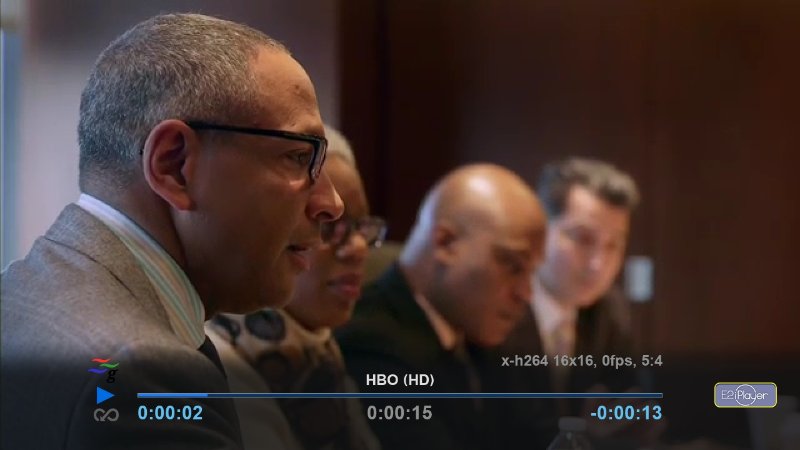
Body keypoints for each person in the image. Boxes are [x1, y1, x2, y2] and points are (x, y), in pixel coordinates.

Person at [0, 13, 343, 450]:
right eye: (297, 157)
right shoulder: (144, 375)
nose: (332, 203)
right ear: (174, 165)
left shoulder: (19, 290)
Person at [336, 163, 547, 450]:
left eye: (531, 273)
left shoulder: (479, 330)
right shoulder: (370, 345)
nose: (526, 293)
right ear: (445, 242)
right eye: (512, 266)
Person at [207, 125, 384, 450]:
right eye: (328, 223)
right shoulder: (219, 367)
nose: (358, 248)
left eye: (361, 227)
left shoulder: (318, 352)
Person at [476, 157, 651, 450]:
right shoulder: (495, 303)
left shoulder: (609, 309)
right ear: (539, 232)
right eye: (583, 239)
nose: (598, 264)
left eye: (613, 245)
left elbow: (632, 405)